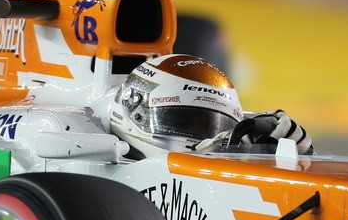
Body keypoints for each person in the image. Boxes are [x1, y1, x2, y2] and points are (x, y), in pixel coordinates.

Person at [108, 54, 313, 159]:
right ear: (133, 109)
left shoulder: (235, 140)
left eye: (216, 125)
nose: (209, 139)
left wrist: (273, 156)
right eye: (184, 122)